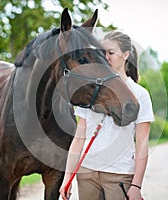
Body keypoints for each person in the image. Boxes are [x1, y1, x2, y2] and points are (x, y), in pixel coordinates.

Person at [60, 31, 154, 200]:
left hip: (119, 174)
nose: (105, 57)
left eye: (110, 52)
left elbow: (142, 144)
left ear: (126, 55)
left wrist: (136, 185)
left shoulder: (140, 94)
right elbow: (79, 138)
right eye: (102, 53)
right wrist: (67, 177)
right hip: (87, 173)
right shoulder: (90, 89)